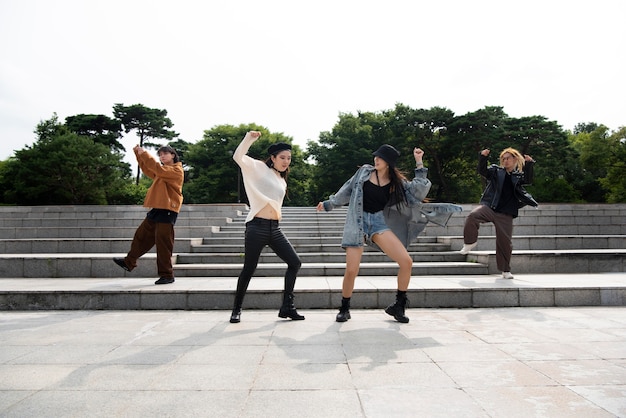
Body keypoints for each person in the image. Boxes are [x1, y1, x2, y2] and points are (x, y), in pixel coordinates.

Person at [316, 144, 461, 323]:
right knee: (352, 269)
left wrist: (419, 162)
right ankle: (344, 308)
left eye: (381, 158)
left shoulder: (396, 182)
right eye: (376, 156)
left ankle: (398, 306)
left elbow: (419, 190)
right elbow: (346, 190)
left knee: (406, 262)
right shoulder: (363, 172)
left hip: (379, 223)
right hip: (357, 222)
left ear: (389, 163)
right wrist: (329, 204)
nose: (376, 159)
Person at [229, 131, 304, 323]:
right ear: (273, 158)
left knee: (295, 263)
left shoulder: (281, 179)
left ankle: (287, 306)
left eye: (289, 158)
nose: (286, 161)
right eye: (282, 157)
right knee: (249, 268)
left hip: (275, 229)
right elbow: (238, 157)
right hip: (256, 227)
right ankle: (236, 309)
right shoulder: (259, 168)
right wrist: (249, 138)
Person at [460, 147, 538, 279]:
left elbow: (528, 180)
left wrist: (529, 164)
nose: (505, 161)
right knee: (473, 216)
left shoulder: (518, 176)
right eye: (503, 158)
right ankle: (470, 242)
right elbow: (482, 171)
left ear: (514, 159)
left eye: (508, 158)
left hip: (506, 213)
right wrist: (483, 157)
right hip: (490, 207)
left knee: (505, 242)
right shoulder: (496, 171)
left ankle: (505, 270)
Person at [113, 145, 184, 285]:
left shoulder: (176, 171)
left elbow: (157, 168)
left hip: (168, 209)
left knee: (164, 244)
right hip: (158, 208)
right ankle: (129, 262)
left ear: (173, 155)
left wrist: (145, 153)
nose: (162, 156)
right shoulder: (163, 171)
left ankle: (167, 275)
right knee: (141, 236)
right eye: (160, 155)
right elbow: (148, 169)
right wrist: (139, 155)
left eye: (165, 154)